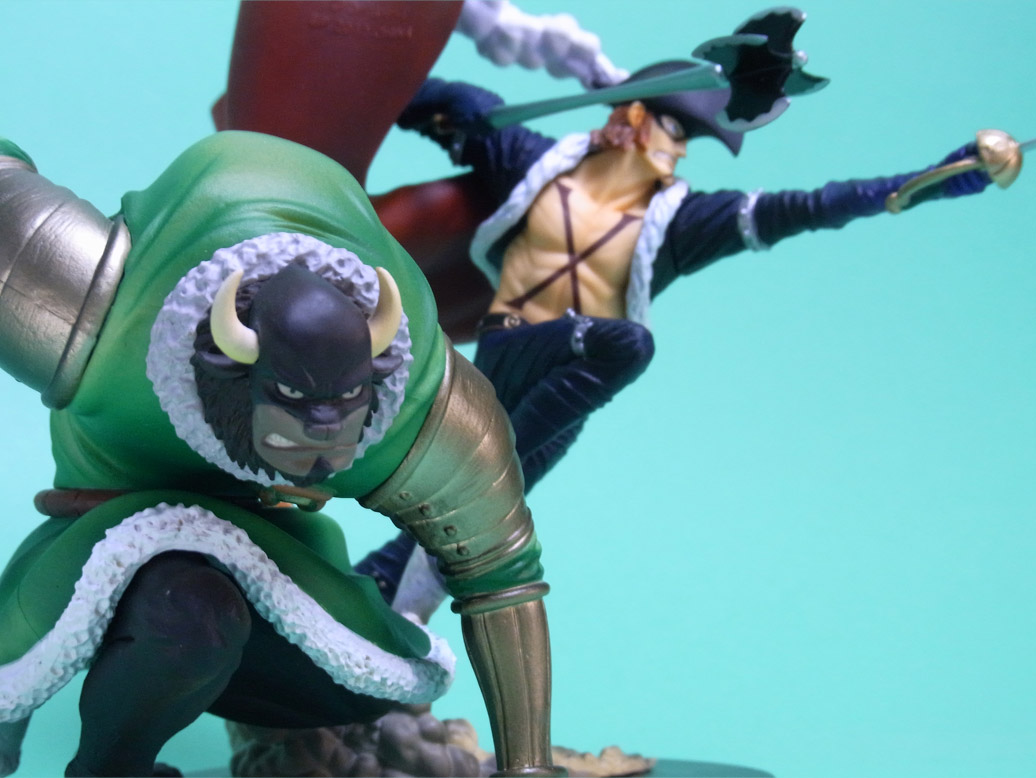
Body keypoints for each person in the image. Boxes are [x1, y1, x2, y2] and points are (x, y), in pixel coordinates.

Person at [0, 132, 562, 778]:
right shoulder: (97, 309)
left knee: (351, 688)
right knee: (189, 617)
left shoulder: (421, 409)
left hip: (284, 570)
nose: (325, 430)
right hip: (108, 543)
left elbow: (503, 576)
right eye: (294, 398)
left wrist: (528, 768)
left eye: (345, 401)